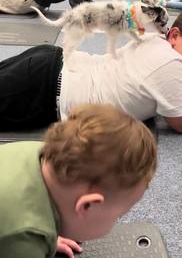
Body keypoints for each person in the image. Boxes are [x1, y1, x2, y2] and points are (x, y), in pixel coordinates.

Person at [0, 2, 182, 133]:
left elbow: (144, 82)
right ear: (175, 35)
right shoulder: (174, 63)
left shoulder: (155, 41)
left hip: (51, 64)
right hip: (46, 90)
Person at [0, 103, 157, 258]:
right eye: (119, 216)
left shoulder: (39, 151)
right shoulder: (23, 233)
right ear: (87, 205)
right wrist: (27, 245)